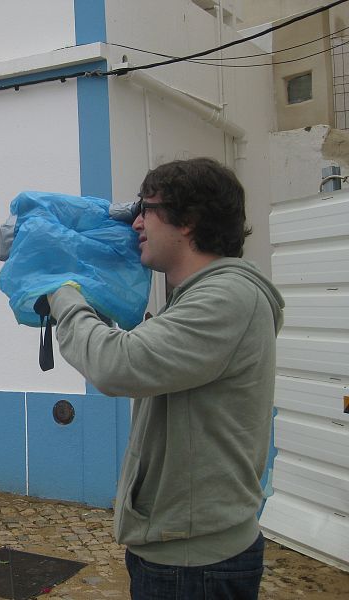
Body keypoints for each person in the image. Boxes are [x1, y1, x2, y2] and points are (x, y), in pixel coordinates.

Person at [48, 158, 284, 599]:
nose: (136, 222)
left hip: (196, 564)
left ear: (189, 220)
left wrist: (61, 289)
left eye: (148, 209)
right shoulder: (196, 298)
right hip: (176, 550)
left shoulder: (225, 298)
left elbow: (115, 365)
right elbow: (141, 356)